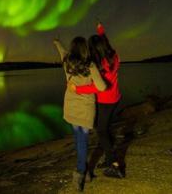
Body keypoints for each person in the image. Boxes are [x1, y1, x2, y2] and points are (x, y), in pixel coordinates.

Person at [68, 23, 124, 178]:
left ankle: (114, 164)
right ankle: (109, 157)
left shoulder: (100, 65)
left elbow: (97, 87)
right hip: (116, 99)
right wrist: (101, 31)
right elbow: (107, 43)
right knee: (105, 129)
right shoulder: (114, 56)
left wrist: (77, 90)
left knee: (101, 131)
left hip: (105, 102)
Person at [53, 36, 106, 192]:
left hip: (71, 107)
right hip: (85, 109)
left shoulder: (67, 63)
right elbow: (102, 87)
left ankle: (84, 173)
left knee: (78, 140)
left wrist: (57, 43)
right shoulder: (90, 66)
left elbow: (62, 52)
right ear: (85, 49)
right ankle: (81, 174)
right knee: (82, 142)